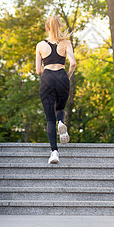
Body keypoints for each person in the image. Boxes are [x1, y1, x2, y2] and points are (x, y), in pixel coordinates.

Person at [36, 16, 76, 164]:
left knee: (49, 118)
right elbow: (73, 63)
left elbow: (38, 70)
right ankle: (61, 122)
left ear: (47, 27)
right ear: (59, 26)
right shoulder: (66, 43)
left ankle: (54, 153)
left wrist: (46, 71)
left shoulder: (40, 45)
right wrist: (67, 77)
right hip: (62, 76)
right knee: (60, 107)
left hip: (47, 78)